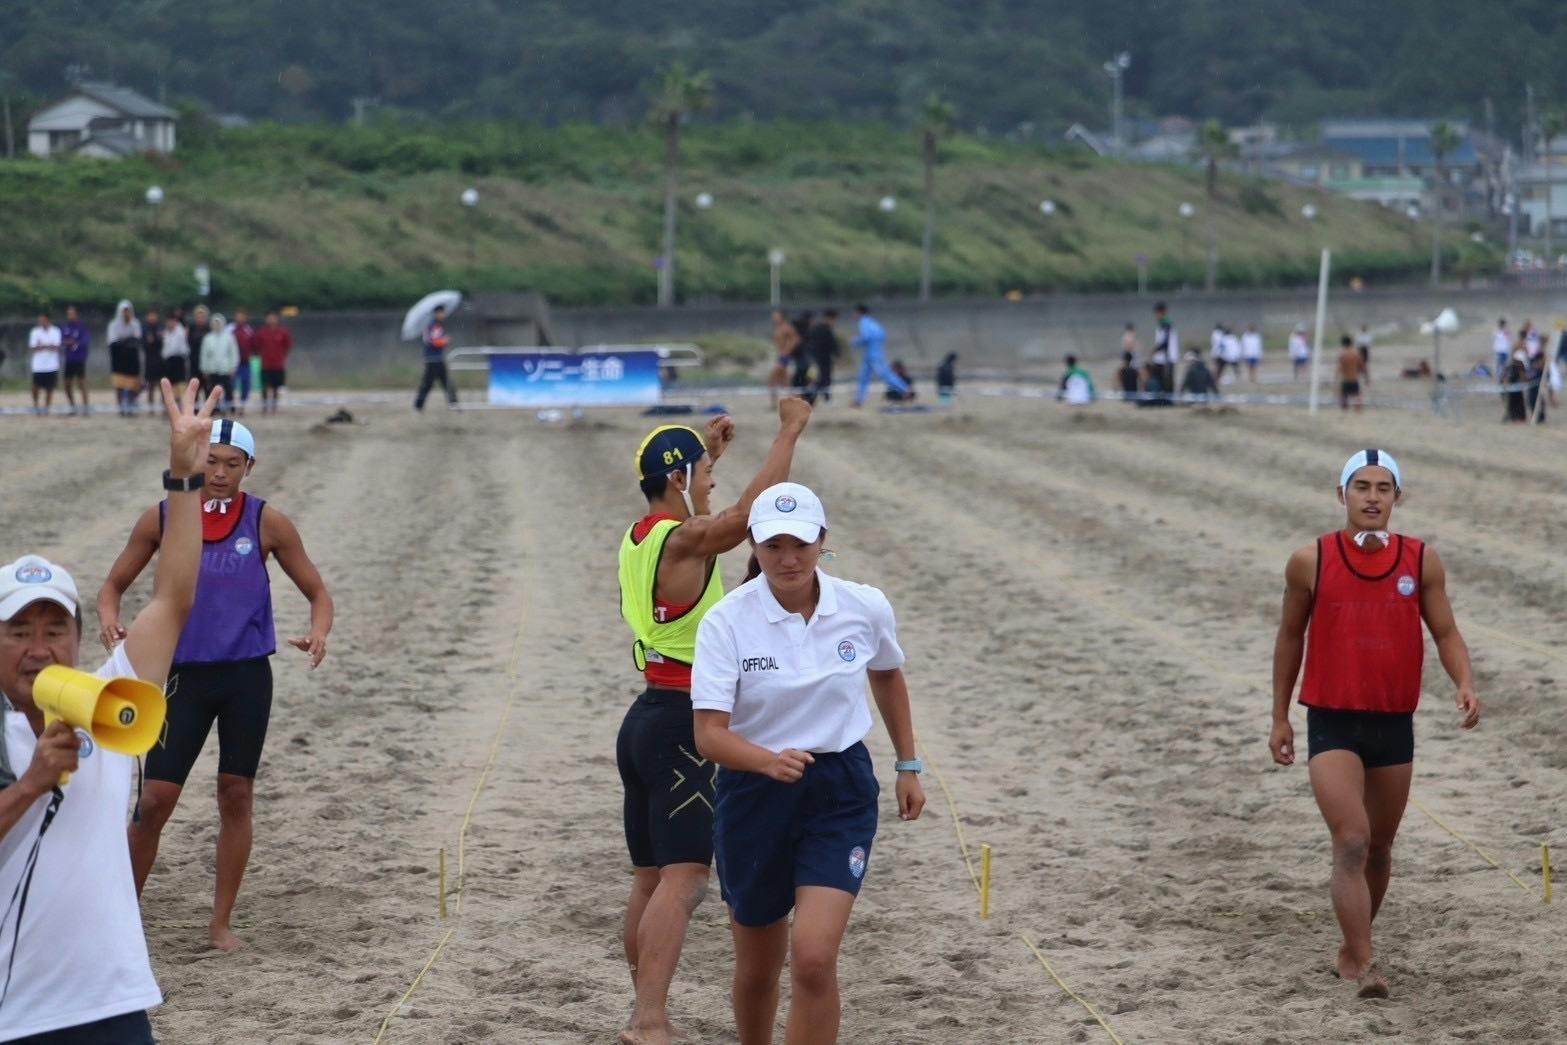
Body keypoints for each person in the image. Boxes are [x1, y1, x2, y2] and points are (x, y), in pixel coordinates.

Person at [0, 378, 218, 1043]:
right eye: (18, 631)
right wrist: (32, 784)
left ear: (77, 637)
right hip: (14, 1012)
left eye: (55, 629)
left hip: (110, 1000)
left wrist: (184, 479)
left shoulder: (108, 701)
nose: (39, 648)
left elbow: (174, 597)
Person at [691, 482, 925, 1045]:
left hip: (839, 789)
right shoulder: (725, 622)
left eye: (801, 544)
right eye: (773, 546)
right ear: (753, 544)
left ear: (823, 540)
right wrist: (767, 761)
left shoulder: (864, 605)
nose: (788, 559)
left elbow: (887, 673)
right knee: (757, 969)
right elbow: (708, 736)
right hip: (754, 793)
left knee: (814, 959)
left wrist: (908, 764)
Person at [615, 400, 811, 1045]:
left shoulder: (639, 536)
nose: (712, 483)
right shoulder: (683, 540)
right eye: (703, 474)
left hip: (644, 719)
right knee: (686, 878)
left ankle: (644, 1009)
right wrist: (789, 431)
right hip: (680, 726)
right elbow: (744, 518)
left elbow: (705, 517)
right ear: (677, 480)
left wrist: (706, 453)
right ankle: (649, 1020)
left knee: (650, 879)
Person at [102, 419, 335, 951]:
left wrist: (318, 632)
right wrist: (109, 620)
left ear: (250, 467)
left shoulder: (267, 521)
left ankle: (220, 923)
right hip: (181, 676)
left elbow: (319, 592)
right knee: (154, 801)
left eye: (233, 464)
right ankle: (119, 920)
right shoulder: (163, 517)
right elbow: (113, 585)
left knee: (235, 794)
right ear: (196, 461)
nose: (221, 473)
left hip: (246, 677)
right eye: (212, 461)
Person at [1269, 449, 1479, 1000]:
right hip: (1332, 721)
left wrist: (1463, 681)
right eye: (1361, 486)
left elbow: (1446, 632)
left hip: (1393, 722)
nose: (1372, 497)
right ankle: (1365, 964)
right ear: (1342, 495)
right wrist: (1279, 716)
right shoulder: (1310, 560)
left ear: (1397, 498)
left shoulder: (1421, 560)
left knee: (1381, 848)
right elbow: (1290, 637)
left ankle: (1351, 945)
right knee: (1352, 840)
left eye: (1383, 488)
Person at [850, 305, 909, 406]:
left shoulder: (863, 322)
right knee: (863, 377)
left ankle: (905, 390)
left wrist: (855, 342)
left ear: (859, 312)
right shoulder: (873, 323)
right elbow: (883, 334)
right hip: (871, 354)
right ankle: (859, 400)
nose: (853, 315)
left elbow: (866, 337)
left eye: (854, 313)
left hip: (873, 355)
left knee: (884, 374)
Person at [414, 304, 458, 411]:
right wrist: (445, 340)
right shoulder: (433, 326)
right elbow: (433, 341)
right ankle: (418, 405)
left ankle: (453, 403)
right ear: (436, 313)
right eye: (441, 313)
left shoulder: (437, 325)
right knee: (428, 383)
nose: (443, 315)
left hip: (437, 358)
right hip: (432, 359)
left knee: (445, 382)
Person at [108, 299, 144, 417]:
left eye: (128, 311)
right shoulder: (113, 325)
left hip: (132, 361)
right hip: (118, 360)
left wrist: (124, 342)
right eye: (124, 311)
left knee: (133, 387)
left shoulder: (135, 324)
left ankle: (131, 407)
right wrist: (127, 342)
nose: (126, 314)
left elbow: (136, 341)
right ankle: (121, 409)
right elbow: (113, 343)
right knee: (119, 386)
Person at [253, 309, 293, 416]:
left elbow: (288, 345)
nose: (271, 320)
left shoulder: (282, 332)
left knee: (276, 388)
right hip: (265, 365)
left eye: (273, 318)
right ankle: (265, 407)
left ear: (277, 319)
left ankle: (274, 408)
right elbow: (256, 345)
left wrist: (282, 355)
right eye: (269, 318)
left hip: (278, 365)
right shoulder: (262, 332)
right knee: (265, 387)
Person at [200, 313, 240, 414]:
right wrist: (204, 368)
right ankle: (213, 409)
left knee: (228, 389)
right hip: (212, 369)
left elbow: (234, 353)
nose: (216, 325)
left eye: (218, 323)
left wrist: (233, 367)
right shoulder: (208, 338)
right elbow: (204, 355)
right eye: (214, 323)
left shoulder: (229, 337)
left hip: (226, 369)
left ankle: (230, 409)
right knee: (212, 391)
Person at [804, 310, 842, 404]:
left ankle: (818, 399)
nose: (834, 322)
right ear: (829, 318)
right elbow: (831, 344)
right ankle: (816, 399)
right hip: (820, 359)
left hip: (820, 358)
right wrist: (837, 355)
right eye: (833, 320)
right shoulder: (823, 329)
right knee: (820, 379)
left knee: (821, 379)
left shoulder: (819, 328)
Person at [59, 305, 91, 416]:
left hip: (79, 359)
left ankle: (85, 407)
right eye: (68, 314)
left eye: (72, 313)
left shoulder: (82, 328)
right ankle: (73, 406)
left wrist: (72, 342)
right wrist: (70, 342)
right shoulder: (65, 327)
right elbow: (62, 341)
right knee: (67, 384)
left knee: (82, 383)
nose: (69, 316)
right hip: (69, 359)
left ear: (77, 315)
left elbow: (84, 342)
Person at [28, 311, 62, 416]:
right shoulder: (35, 331)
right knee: (35, 387)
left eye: (43, 320)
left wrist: (42, 345)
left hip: (51, 365)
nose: (41, 322)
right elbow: (33, 347)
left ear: (48, 320)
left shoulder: (56, 331)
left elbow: (56, 346)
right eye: (40, 320)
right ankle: (36, 405)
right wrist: (48, 346)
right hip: (38, 366)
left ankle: (46, 407)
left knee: (49, 388)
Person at [767, 310, 799, 409]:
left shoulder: (787, 327)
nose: (774, 318)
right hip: (780, 356)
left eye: (776, 316)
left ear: (782, 317)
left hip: (784, 357)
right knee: (786, 382)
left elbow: (795, 339)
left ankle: (774, 404)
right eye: (774, 316)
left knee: (772, 379)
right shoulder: (777, 328)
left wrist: (787, 351)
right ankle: (795, 402)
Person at [230, 309, 257, 417]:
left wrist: (252, 354)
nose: (240, 318)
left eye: (242, 316)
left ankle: (242, 406)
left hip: (245, 363)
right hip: (232, 364)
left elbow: (254, 345)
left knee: (245, 384)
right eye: (238, 316)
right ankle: (231, 406)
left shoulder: (249, 330)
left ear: (246, 318)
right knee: (231, 385)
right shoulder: (230, 329)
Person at [141, 307, 164, 414]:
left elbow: (163, 342)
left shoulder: (161, 328)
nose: (152, 317)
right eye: (150, 315)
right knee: (150, 385)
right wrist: (149, 342)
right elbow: (143, 344)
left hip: (161, 360)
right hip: (149, 360)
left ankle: (164, 407)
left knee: (162, 385)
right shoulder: (145, 329)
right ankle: (151, 408)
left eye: (154, 315)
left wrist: (155, 340)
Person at [1152, 302, 1178, 393]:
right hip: (1163, 358)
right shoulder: (1162, 325)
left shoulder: (1166, 325)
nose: (1156, 316)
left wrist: (1155, 350)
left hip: (1166, 359)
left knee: (1166, 383)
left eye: (1157, 313)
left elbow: (1165, 343)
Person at [161, 312, 190, 387]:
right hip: (168, 361)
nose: (169, 323)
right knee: (169, 385)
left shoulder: (181, 331)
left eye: (171, 321)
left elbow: (176, 348)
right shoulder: (166, 332)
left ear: (175, 321)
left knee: (180, 384)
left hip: (178, 360)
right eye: (168, 322)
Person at [1336, 336, 1365, 412]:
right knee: (1357, 400)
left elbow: (1339, 369)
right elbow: (1362, 366)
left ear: (1343, 344)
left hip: (1345, 379)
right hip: (1354, 379)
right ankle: (1357, 413)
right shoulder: (1356, 353)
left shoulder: (1342, 354)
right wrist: (1366, 377)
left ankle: (1345, 414)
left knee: (1344, 402)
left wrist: (1336, 380)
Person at [790, 311, 816, 394]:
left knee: (799, 385)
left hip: (803, 363)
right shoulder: (807, 333)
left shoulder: (804, 334)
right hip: (805, 363)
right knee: (804, 384)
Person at [186, 304, 211, 389]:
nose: (200, 318)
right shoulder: (191, 328)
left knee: (208, 389)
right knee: (194, 388)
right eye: (198, 316)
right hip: (194, 363)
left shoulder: (210, 329)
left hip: (207, 364)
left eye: (202, 316)